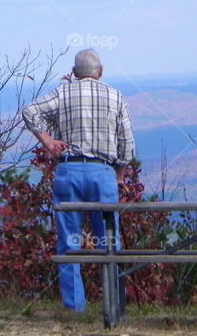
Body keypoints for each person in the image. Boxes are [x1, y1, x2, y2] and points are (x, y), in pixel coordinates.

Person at [22, 48, 136, 312]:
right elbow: (127, 143)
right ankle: (113, 305)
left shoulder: (63, 93)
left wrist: (48, 141)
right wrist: (119, 174)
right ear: (101, 71)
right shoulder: (115, 96)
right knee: (108, 241)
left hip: (69, 170)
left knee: (69, 242)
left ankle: (75, 307)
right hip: (102, 173)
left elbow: (30, 112)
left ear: (73, 73)